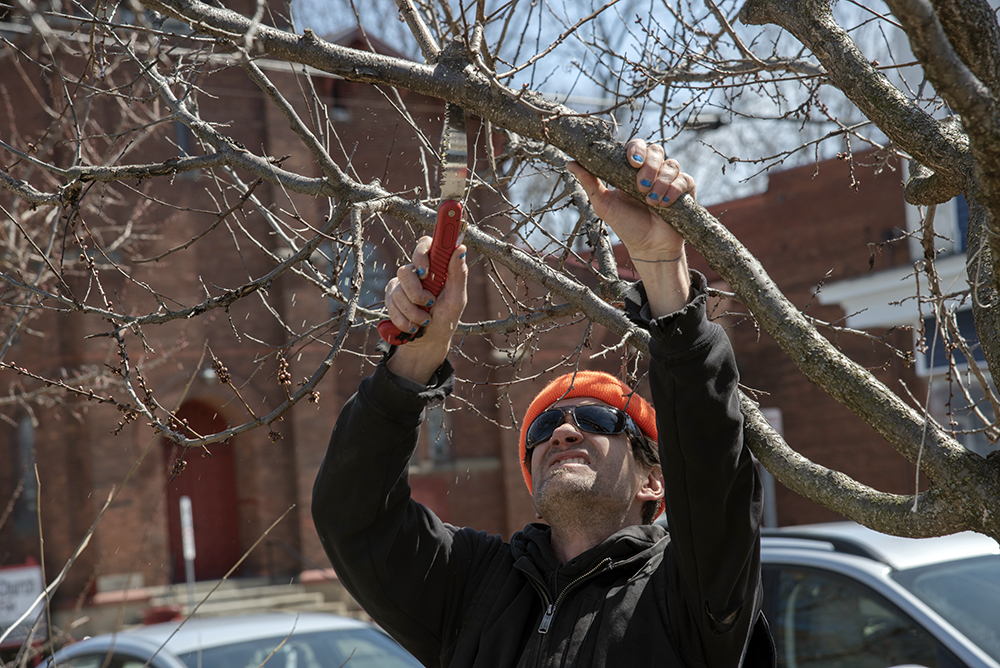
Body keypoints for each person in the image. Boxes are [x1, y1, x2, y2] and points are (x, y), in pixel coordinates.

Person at [312, 139, 774, 667]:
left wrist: (663, 271)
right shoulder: (473, 589)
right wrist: (411, 365)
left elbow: (712, 472)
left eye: (600, 418)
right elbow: (354, 518)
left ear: (655, 480)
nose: (562, 431)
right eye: (542, 429)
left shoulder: (693, 593)